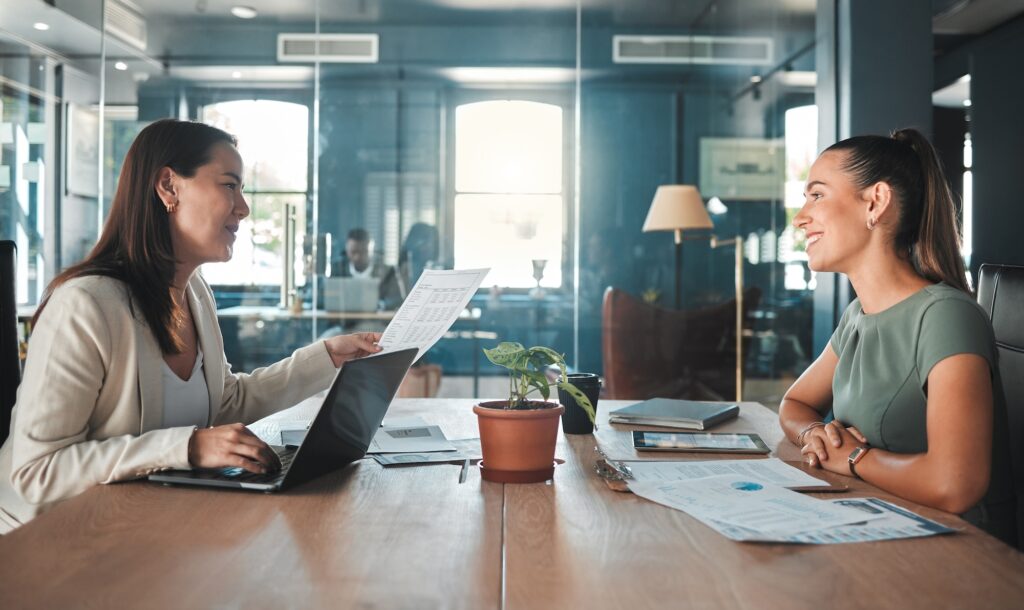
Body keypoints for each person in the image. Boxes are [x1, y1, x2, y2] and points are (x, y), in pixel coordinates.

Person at [0, 119, 381, 534]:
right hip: (46, 541)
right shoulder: (85, 306)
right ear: (169, 187)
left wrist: (326, 357)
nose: (244, 207)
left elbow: (224, 402)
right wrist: (189, 447)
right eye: (229, 185)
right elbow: (37, 471)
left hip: (141, 526)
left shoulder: (195, 293)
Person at [778, 127, 1014, 544]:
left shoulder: (945, 316)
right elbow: (795, 403)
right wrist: (814, 434)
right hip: (873, 522)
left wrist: (852, 457)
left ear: (876, 202)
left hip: (954, 553)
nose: (800, 218)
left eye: (816, 195)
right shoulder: (858, 316)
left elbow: (956, 483)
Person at [334, 227, 400, 308]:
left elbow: (398, 299)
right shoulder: (336, 270)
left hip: (377, 320)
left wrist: (380, 305)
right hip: (344, 319)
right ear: (347, 250)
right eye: (353, 252)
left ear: (371, 249)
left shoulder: (388, 272)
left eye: (363, 252)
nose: (357, 257)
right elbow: (322, 299)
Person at [379, 222, 440, 310]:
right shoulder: (398, 273)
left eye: (432, 242)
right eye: (424, 241)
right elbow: (387, 302)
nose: (429, 246)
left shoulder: (435, 271)